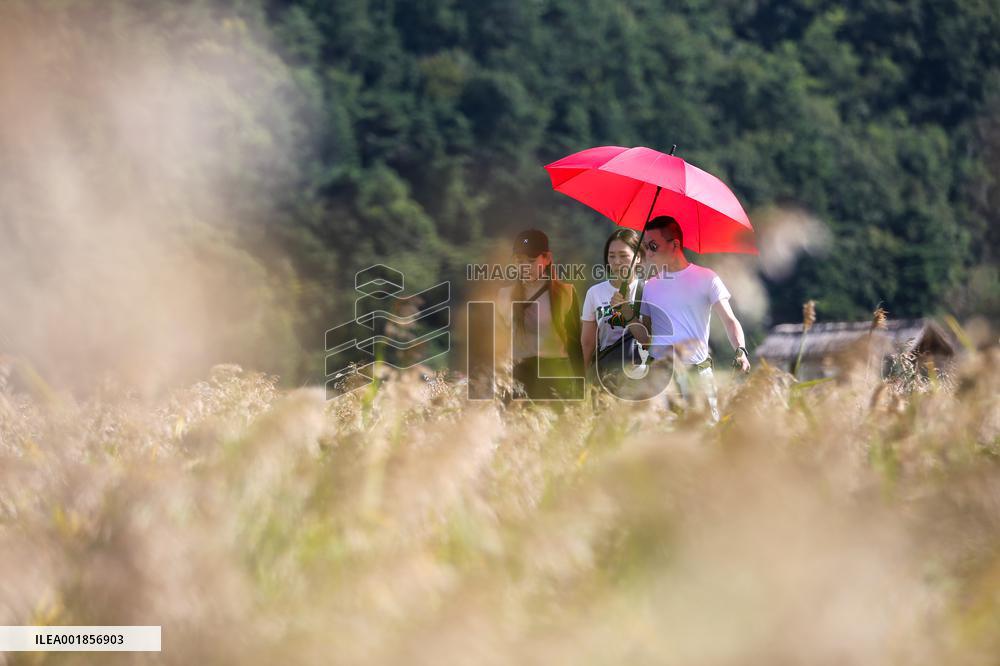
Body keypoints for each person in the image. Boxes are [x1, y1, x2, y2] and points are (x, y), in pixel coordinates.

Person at [611, 216, 750, 421]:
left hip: (697, 376)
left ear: (675, 245)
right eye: (646, 247)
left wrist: (741, 351)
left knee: (704, 432)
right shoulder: (649, 286)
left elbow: (730, 321)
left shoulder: (707, 278)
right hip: (659, 378)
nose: (648, 253)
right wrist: (627, 312)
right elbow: (645, 339)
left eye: (653, 246)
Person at [497, 229, 584, 400]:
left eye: (531, 261)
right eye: (520, 261)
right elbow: (496, 344)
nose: (525, 267)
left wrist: (581, 387)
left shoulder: (566, 294)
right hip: (517, 377)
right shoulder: (504, 295)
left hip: (554, 376)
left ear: (547, 258)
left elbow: (574, 344)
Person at [581, 228, 644, 377]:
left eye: (623, 255)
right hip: (606, 374)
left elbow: (651, 341)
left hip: (641, 375)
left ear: (638, 257)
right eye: (611, 256)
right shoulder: (595, 292)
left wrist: (626, 309)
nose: (616, 262)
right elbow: (588, 343)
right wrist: (581, 378)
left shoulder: (649, 291)